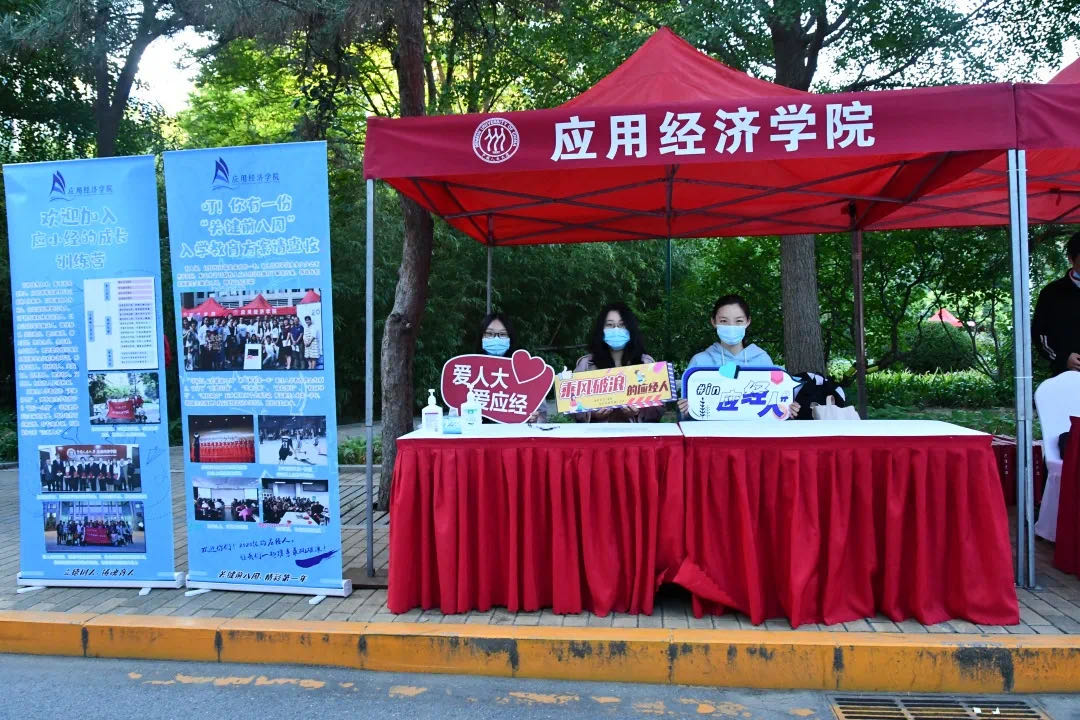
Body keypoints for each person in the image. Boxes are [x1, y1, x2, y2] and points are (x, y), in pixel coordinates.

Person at [677, 294, 800, 418]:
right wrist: (685, 409)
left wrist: (788, 409)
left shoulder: (762, 360)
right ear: (713, 322)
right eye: (724, 321)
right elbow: (689, 414)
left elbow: (775, 404)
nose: (731, 326)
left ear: (748, 321)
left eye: (739, 321)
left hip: (754, 430)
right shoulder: (700, 362)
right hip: (712, 430)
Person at [573, 302, 664, 423]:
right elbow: (572, 405)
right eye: (610, 325)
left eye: (622, 325)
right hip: (597, 433)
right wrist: (592, 413)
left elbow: (659, 410)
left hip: (636, 433)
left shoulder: (646, 364)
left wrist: (638, 412)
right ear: (601, 329)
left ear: (630, 329)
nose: (616, 329)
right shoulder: (585, 365)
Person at [476, 312, 547, 423]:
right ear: (481, 337)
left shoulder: (525, 370)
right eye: (489, 334)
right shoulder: (468, 370)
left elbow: (542, 414)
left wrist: (534, 418)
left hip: (515, 433)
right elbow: (455, 413)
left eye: (502, 334)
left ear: (510, 338)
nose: (496, 338)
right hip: (477, 433)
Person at [1033, 233, 1080, 376]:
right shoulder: (1052, 293)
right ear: (1071, 259)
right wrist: (1063, 358)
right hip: (1067, 375)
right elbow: (1040, 334)